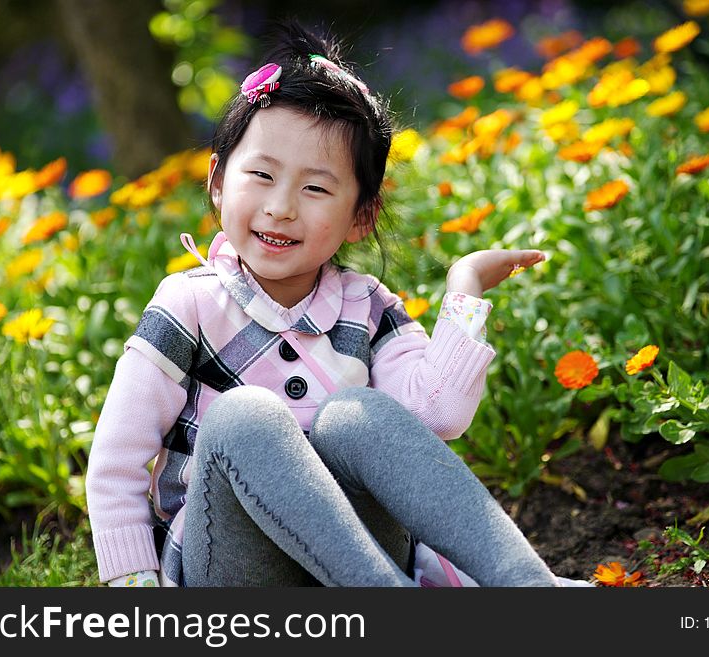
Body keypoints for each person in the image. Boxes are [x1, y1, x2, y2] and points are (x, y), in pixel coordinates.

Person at [85, 22, 582, 588]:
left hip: (360, 556)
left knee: (358, 415)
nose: (280, 208)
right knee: (244, 416)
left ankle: (528, 587)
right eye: (262, 176)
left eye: (315, 188)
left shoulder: (366, 308)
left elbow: (436, 418)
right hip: (233, 568)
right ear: (219, 181)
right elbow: (115, 466)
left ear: (360, 217)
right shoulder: (190, 305)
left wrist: (464, 289)